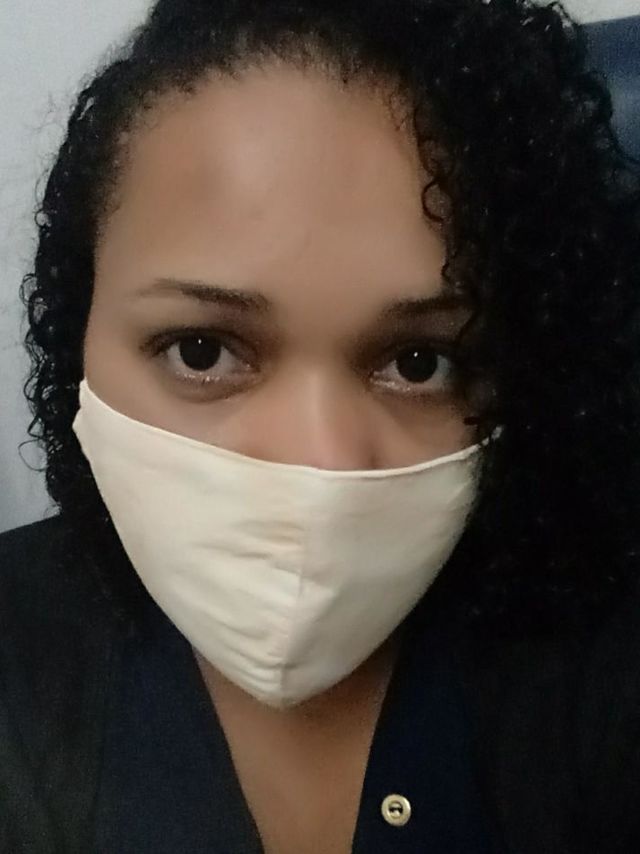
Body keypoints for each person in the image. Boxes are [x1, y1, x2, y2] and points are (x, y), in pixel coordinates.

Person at [2, 0, 640, 851]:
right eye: (202, 350)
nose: (321, 464)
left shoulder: (596, 660)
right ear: (81, 331)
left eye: (419, 362)